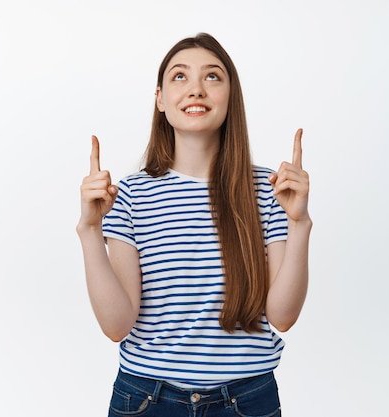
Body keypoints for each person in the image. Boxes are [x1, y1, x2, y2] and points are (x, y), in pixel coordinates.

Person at [77, 32, 311, 417]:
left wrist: (299, 223)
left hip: (247, 401)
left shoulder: (269, 189)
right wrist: (88, 230)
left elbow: (283, 317)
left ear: (230, 97)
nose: (197, 89)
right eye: (180, 77)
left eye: (213, 77)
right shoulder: (130, 194)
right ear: (160, 99)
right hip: (147, 400)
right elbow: (117, 325)